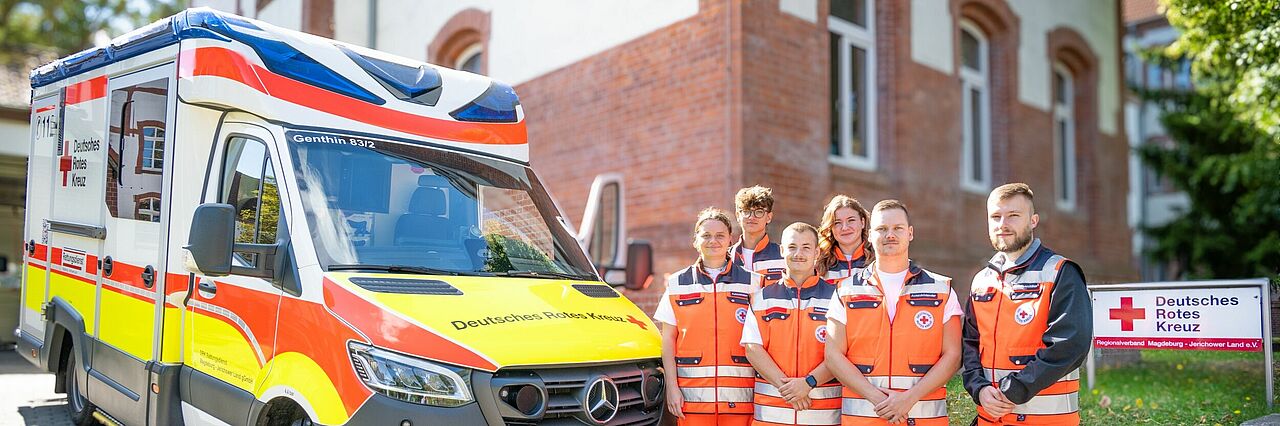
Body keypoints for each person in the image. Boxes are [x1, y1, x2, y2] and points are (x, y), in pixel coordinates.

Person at [961, 183, 1092, 425]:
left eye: (1013, 216)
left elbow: (1070, 346)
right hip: (989, 418)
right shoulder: (982, 280)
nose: (1003, 224)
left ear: (1033, 221)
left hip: (1045, 419)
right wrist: (978, 388)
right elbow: (970, 343)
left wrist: (1014, 390)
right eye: (995, 217)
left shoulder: (1060, 272)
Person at [825, 200, 963, 425]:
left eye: (898, 228)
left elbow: (953, 355)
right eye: (882, 229)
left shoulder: (942, 289)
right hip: (864, 417)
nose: (890, 234)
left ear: (910, 233)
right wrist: (879, 399)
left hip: (923, 418)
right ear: (869, 235)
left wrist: (909, 399)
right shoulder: (845, 289)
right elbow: (833, 355)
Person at [655, 207, 761, 425]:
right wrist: (672, 389)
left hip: (741, 401)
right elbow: (668, 340)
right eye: (706, 235)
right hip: (691, 403)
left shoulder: (753, 283)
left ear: (730, 240)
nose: (713, 241)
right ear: (696, 240)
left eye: (720, 235)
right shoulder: (677, 284)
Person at [741, 222, 841, 425]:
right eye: (792, 247)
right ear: (781, 251)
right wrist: (791, 389)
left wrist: (808, 383)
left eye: (806, 247)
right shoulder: (761, 297)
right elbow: (752, 349)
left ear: (816, 252)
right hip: (771, 414)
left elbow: (843, 353)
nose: (799, 254)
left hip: (822, 414)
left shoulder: (837, 297)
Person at [731, 185, 786, 283]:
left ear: (769, 217)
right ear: (738, 216)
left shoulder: (783, 256)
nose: (752, 217)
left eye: (759, 212)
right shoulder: (726, 257)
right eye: (746, 211)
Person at [817, 195, 873, 281]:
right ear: (830, 228)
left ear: (862, 222)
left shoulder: (878, 259)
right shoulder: (818, 263)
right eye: (837, 223)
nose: (845, 228)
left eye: (851, 220)